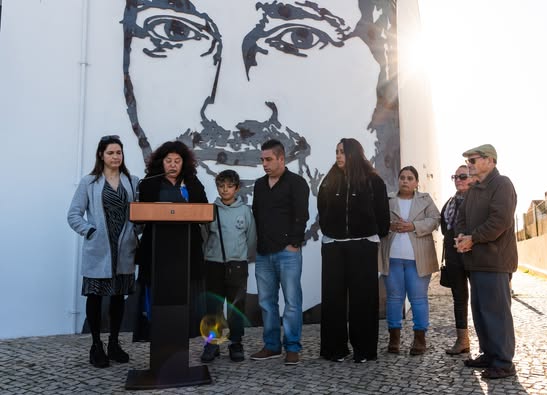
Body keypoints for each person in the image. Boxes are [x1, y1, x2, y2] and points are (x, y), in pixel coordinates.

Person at [121, 1, 401, 317]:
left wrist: (293, 242)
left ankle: (275, 346)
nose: (228, 114)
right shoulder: (154, 186)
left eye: (300, 37)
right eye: (174, 30)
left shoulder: (311, 186)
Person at [67, 135, 139, 368]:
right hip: (99, 249)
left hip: (124, 247)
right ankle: (96, 345)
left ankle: (114, 343)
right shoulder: (89, 182)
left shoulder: (132, 180)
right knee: (96, 298)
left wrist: (136, 230)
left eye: (119, 152)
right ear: (101, 155)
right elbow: (73, 214)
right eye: (111, 153)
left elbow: (139, 212)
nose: (116, 156)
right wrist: (89, 231)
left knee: (118, 297)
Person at [317, 138, 390, 363]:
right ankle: (334, 349)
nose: (338, 156)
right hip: (334, 246)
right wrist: (330, 229)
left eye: (343, 152)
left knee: (364, 299)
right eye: (337, 151)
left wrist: (371, 232)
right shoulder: (329, 180)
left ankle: (364, 351)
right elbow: (322, 208)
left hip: (363, 245)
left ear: (354, 154)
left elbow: (382, 215)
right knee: (333, 299)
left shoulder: (374, 181)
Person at [133, 140, 208, 341]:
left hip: (186, 251)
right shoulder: (150, 182)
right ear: (161, 162)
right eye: (169, 161)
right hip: (157, 252)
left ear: (184, 163)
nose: (173, 165)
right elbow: (142, 212)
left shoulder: (192, 182)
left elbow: (203, 209)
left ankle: (184, 331)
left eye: (177, 160)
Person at [455, 144, 518, 379]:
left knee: (497, 312)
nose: (469, 164)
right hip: (475, 261)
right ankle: (490, 354)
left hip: (495, 261)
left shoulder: (502, 185)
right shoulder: (472, 191)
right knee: (480, 312)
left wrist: (474, 238)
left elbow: (499, 221)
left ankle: (503, 361)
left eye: (473, 160)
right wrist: (462, 237)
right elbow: (461, 219)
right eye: (468, 161)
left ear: (490, 161)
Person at [250, 139, 309, 365]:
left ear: (281, 158)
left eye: (268, 159)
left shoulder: (297, 183)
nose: (264, 164)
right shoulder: (259, 185)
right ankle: (272, 346)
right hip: (264, 253)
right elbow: (257, 214)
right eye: (262, 160)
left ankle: (292, 347)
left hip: (288, 253)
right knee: (266, 302)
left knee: (292, 302)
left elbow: (301, 215)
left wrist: (293, 243)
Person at [379, 166, 440, 355]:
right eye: (402, 177)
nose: (405, 181)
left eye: (410, 178)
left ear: (416, 183)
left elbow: (435, 219)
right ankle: (394, 340)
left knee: (419, 299)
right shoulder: (387, 200)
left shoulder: (425, 199)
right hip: (393, 257)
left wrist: (413, 225)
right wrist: (390, 226)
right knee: (394, 300)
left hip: (418, 259)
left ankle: (420, 340)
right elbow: (378, 221)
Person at [200, 170, 256, 363]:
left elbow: (250, 238)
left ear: (237, 188)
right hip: (213, 263)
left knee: (236, 306)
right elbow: (205, 237)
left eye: (229, 186)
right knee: (213, 306)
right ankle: (211, 343)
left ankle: (236, 343)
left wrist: (241, 257)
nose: (225, 190)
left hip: (237, 265)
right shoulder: (211, 210)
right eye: (221, 186)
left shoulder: (245, 211)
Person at [440, 165, 476, 355]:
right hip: (454, 257)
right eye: (455, 176)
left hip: (474, 255)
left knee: (479, 299)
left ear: (472, 178)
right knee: (459, 298)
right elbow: (444, 228)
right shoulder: (450, 202)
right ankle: (462, 341)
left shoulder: (478, 200)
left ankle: (488, 344)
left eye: (463, 176)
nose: (458, 179)